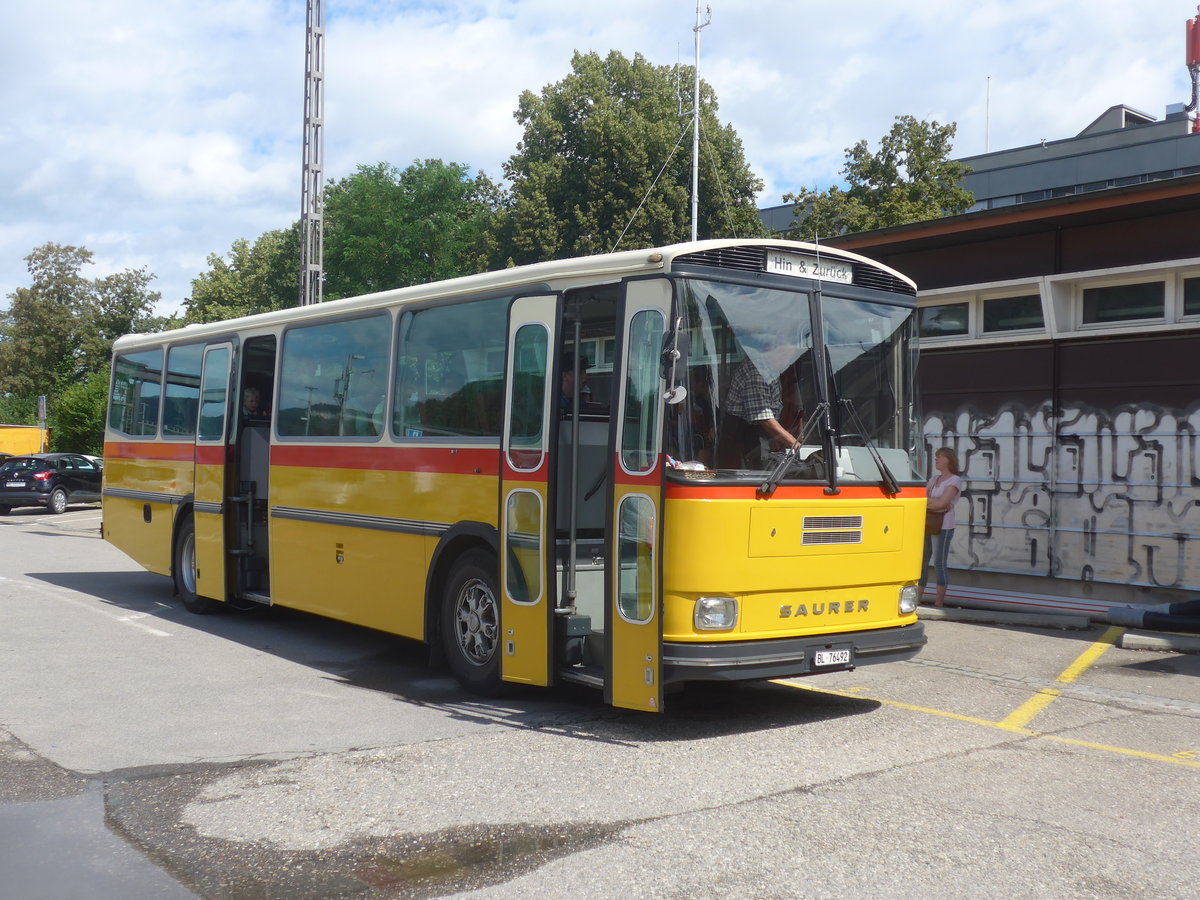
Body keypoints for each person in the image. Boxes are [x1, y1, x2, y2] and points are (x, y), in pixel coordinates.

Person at [720, 353, 803, 467]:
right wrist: (794, 443)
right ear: (772, 349)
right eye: (787, 354)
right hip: (742, 438)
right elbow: (763, 416)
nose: (789, 359)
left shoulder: (770, 370)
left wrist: (776, 437)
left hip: (758, 434)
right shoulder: (757, 370)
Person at [922, 446, 963, 608]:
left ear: (949, 460)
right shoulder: (933, 480)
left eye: (940, 457)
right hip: (928, 523)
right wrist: (933, 504)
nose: (936, 459)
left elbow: (942, 503)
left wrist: (932, 503)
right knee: (922, 562)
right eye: (936, 456)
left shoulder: (955, 480)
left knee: (939, 563)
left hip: (944, 526)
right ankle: (917, 599)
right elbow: (923, 500)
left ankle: (938, 604)